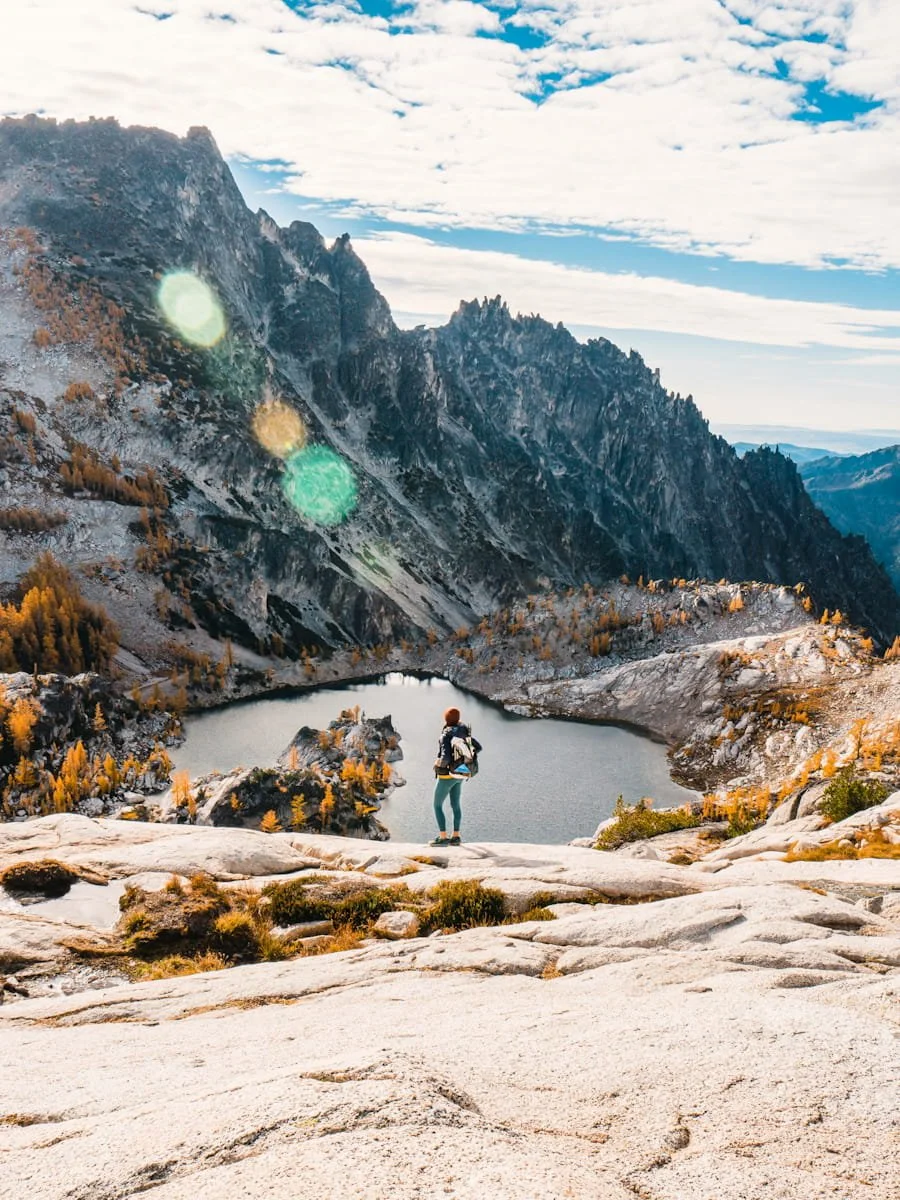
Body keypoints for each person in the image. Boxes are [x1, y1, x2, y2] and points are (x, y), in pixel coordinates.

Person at [430, 706, 482, 846]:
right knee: (455, 805)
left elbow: (445, 757)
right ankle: (456, 836)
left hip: (446, 776)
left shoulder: (446, 735)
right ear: (458, 719)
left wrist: (437, 765)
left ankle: (443, 837)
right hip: (460, 773)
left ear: (446, 719)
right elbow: (478, 747)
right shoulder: (464, 731)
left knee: (437, 805)